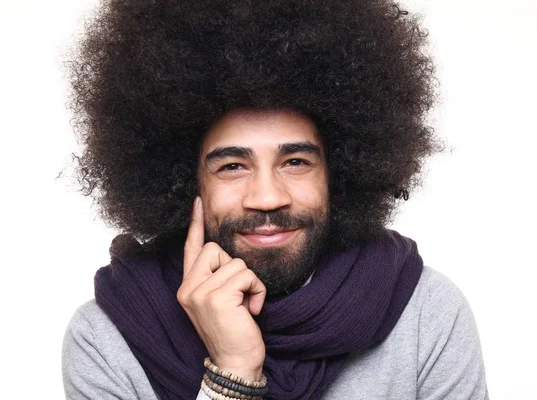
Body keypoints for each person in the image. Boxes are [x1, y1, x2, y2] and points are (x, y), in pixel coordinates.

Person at [62, 0, 488, 399]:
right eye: (232, 166)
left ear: (338, 173)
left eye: (296, 161)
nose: (267, 198)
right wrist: (233, 374)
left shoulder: (424, 313)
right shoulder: (107, 337)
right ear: (186, 182)